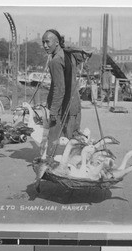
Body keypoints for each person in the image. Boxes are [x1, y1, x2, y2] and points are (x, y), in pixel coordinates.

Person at [41, 29, 91, 160]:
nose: (45, 46)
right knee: (72, 138)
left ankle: (51, 166)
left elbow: (59, 89)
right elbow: (86, 54)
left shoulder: (55, 61)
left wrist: (53, 111)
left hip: (62, 108)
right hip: (74, 105)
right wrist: (68, 47)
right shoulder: (70, 55)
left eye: (47, 42)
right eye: (43, 43)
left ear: (57, 42)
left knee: (55, 139)